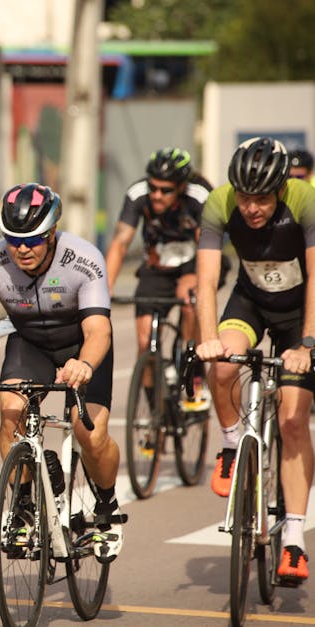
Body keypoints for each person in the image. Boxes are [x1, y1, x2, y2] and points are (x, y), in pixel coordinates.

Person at [0, 183, 125, 564]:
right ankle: (22, 507)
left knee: (89, 431)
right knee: (10, 413)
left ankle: (106, 506)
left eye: (34, 240)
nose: (21, 249)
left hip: (82, 346)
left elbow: (98, 330)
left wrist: (85, 364)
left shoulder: (83, 258)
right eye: (13, 239)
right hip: (31, 343)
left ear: (52, 233)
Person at [195, 136, 315, 584]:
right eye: (245, 197)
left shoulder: (306, 200)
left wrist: (306, 344)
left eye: (261, 198)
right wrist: (209, 339)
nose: (251, 208)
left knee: (292, 420)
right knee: (223, 365)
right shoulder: (218, 203)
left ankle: (295, 542)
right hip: (250, 301)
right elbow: (207, 281)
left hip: (298, 313)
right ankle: (230, 446)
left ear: (281, 189)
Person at [104, 147, 213, 412]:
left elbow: (207, 249)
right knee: (144, 341)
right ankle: (154, 412)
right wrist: (103, 291)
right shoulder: (137, 194)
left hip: (193, 260)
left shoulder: (200, 195)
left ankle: (191, 367)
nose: (156, 195)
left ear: (181, 187)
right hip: (158, 264)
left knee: (190, 301)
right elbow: (120, 243)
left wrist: (194, 277)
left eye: (165, 190)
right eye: (153, 187)